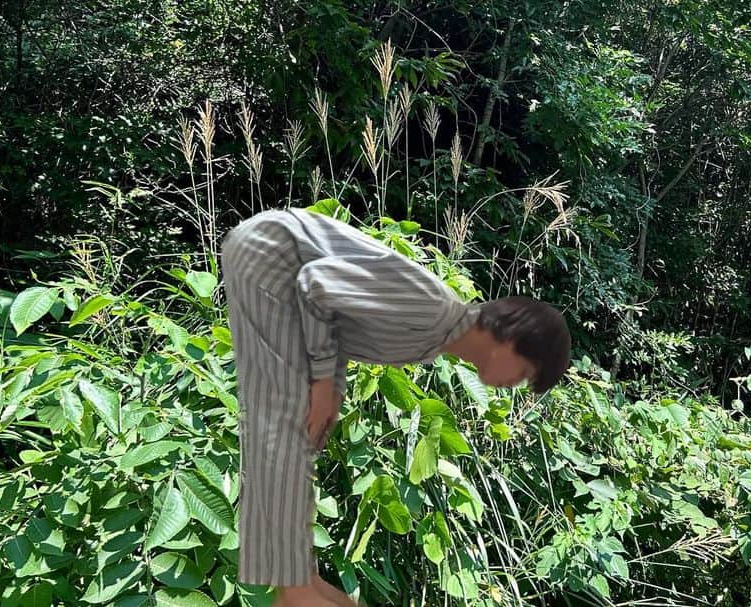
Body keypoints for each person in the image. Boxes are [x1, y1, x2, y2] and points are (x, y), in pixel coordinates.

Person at [220, 207, 571, 607]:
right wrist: (321, 382)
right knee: (282, 414)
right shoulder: (431, 310)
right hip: (271, 254)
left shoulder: (433, 340)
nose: (515, 385)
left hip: (275, 259)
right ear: (509, 338)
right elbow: (315, 284)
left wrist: (330, 387)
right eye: (523, 372)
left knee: (302, 425)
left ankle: (302, 580)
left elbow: (335, 323)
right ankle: (294, 589)